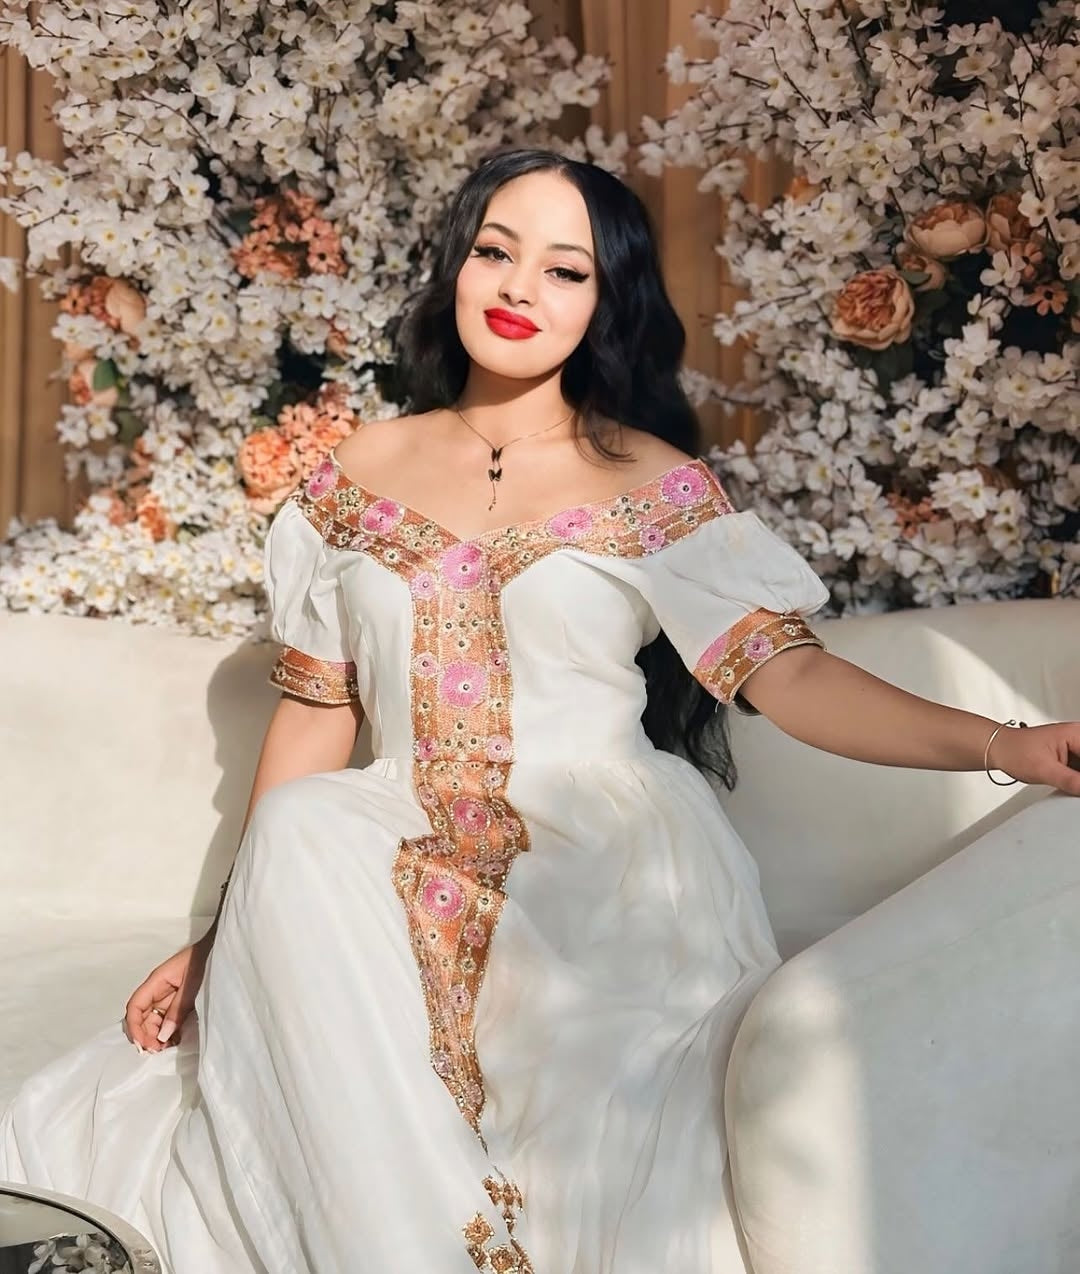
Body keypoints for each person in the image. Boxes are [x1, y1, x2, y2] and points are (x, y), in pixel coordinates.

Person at [2, 147, 1078, 1274]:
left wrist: (1009, 742)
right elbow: (318, 717)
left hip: (599, 871)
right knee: (309, 822)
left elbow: (793, 677)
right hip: (383, 855)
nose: (519, 289)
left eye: (564, 270)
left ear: (606, 300)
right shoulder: (354, 473)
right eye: (495, 252)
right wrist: (225, 937)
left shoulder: (651, 484)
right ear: (456, 267)